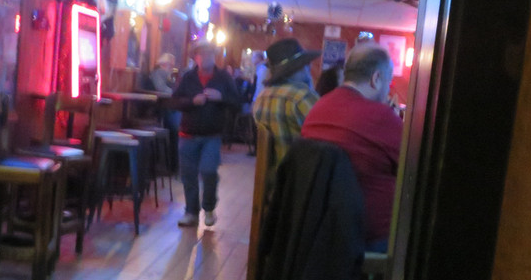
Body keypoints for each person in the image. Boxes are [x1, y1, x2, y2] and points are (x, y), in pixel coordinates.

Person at [301, 42, 403, 252]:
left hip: (318, 232)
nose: (388, 90)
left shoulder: (318, 107)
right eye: (389, 82)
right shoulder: (382, 117)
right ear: (376, 79)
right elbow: (414, 170)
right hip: (368, 242)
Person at [169, 41, 240, 227]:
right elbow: (174, 102)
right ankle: (191, 212)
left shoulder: (224, 77)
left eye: (209, 53)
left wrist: (221, 98)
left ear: (214, 56)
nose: (206, 56)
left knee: (208, 171)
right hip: (187, 133)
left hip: (212, 134)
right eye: (201, 54)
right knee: (188, 175)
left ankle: (208, 207)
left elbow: (237, 103)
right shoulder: (188, 77)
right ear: (195, 57)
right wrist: (192, 101)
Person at [252, 38, 320, 167]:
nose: (309, 68)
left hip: (274, 174)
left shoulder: (262, 97)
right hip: (302, 174)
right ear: (296, 68)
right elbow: (329, 142)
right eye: (305, 64)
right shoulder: (301, 97)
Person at [144, 52, 181, 173]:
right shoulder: (159, 73)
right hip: (157, 110)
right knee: (176, 129)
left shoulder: (163, 74)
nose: (172, 67)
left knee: (177, 128)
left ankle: (173, 165)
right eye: (171, 65)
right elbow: (162, 89)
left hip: (161, 109)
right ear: (164, 64)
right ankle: (173, 166)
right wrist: (176, 94)